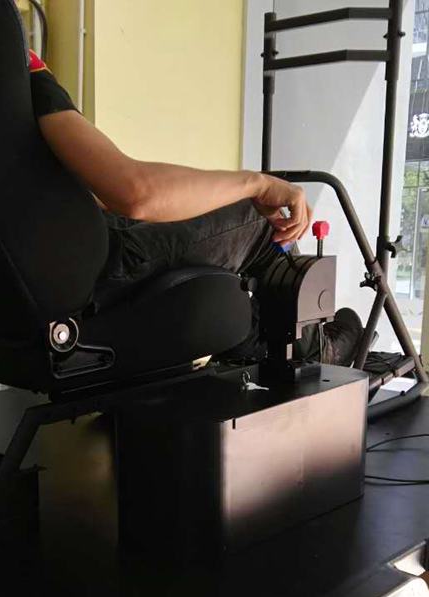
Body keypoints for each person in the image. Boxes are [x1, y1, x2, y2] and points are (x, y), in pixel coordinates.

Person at [28, 50, 363, 365]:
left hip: (45, 279)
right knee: (259, 220)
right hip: (98, 261)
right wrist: (258, 184)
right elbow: (136, 192)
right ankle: (315, 349)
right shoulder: (23, 72)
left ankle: (252, 342)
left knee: (205, 232)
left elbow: (93, 194)